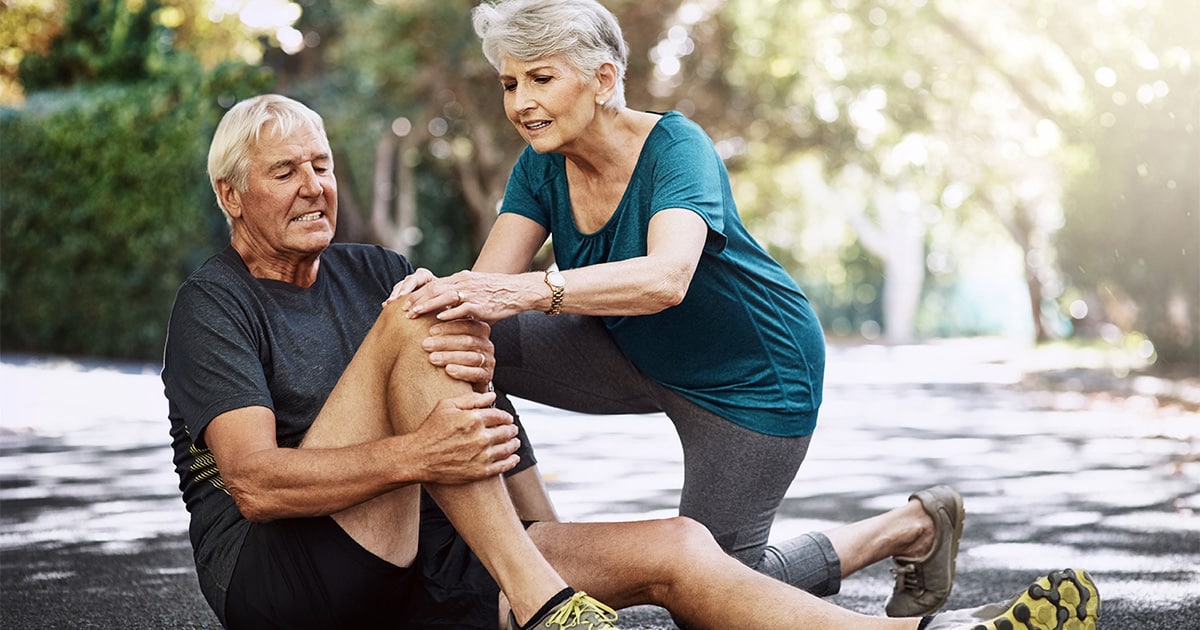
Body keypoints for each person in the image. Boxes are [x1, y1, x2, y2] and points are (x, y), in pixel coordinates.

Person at [164, 93, 1099, 630]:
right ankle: (543, 608)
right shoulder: (217, 302)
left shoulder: (368, 268)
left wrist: (548, 541)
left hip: (433, 564)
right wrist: (423, 462)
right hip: (287, 581)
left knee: (683, 554)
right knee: (429, 308)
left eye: (322, 164)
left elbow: (475, 400)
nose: (315, 186)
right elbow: (256, 485)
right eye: (285, 172)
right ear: (230, 193)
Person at [391, 0, 953, 618]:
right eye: (510, 83)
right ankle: (534, 545)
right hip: (635, 351)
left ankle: (909, 527)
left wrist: (522, 291)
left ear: (604, 80)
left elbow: (667, 278)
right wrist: (442, 292)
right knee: (450, 338)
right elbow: (485, 292)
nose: (521, 101)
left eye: (541, 78)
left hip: (754, 378)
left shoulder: (676, 147)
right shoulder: (541, 166)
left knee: (712, 596)